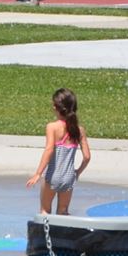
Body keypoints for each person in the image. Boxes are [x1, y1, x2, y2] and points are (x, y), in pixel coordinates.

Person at [28, 87, 91, 216]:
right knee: (63, 212)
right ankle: (62, 235)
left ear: (56, 107)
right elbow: (87, 157)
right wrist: (77, 172)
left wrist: (38, 173)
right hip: (69, 177)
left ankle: (44, 236)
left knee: (45, 211)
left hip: (52, 175)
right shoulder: (79, 130)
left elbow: (49, 149)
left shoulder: (52, 127)